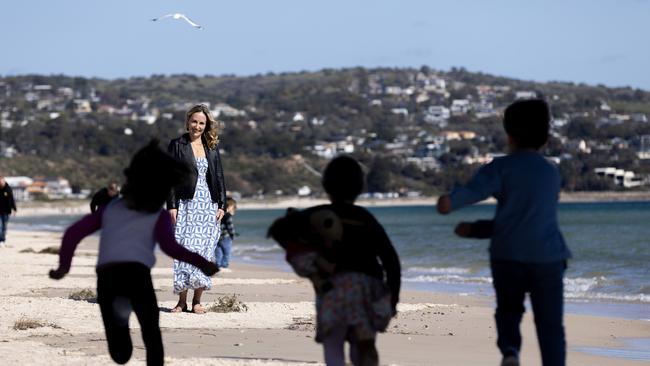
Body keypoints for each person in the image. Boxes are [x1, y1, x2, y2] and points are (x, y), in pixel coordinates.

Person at [49, 140, 219, 366]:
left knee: (123, 347)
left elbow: (73, 233)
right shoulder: (152, 215)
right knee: (150, 333)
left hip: (111, 279)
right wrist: (202, 263)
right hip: (134, 278)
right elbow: (172, 248)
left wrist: (63, 267)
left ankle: (121, 338)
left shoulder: (112, 209)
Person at [437, 99, 571, 366]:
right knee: (551, 325)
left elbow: (481, 197)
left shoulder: (500, 168)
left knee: (508, 311)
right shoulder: (550, 172)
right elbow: (528, 220)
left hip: (508, 256)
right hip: (548, 257)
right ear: (545, 137)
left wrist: (453, 205)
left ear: (509, 135)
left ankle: (510, 350)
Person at [269, 156, 401, 366]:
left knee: (333, 345)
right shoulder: (365, 218)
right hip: (366, 289)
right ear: (360, 187)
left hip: (331, 289)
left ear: (325, 185)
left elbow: (278, 229)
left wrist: (303, 255)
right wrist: (393, 298)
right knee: (364, 344)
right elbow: (391, 260)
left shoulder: (317, 215)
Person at [167, 104, 227, 314]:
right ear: (187, 122)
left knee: (204, 253)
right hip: (186, 204)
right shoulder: (177, 145)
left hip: (207, 205)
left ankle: (197, 301)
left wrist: (222, 204)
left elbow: (218, 177)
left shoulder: (211, 146)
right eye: (194, 122)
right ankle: (181, 301)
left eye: (202, 123)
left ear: (206, 125)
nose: (197, 126)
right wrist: (171, 205)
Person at [215, 196, 237, 269]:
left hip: (217, 236)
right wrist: (232, 235)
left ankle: (218, 265)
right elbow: (230, 227)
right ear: (230, 206)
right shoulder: (228, 216)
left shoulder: (219, 214)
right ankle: (224, 266)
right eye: (233, 207)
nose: (234, 209)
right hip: (226, 237)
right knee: (227, 253)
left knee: (218, 252)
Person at [0, 176, 17, 246]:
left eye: (1, 182)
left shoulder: (8, 189)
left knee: (4, 227)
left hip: (6, 211)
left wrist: (14, 209)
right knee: (0, 226)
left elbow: (12, 200)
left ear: (4, 181)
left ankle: (2, 240)